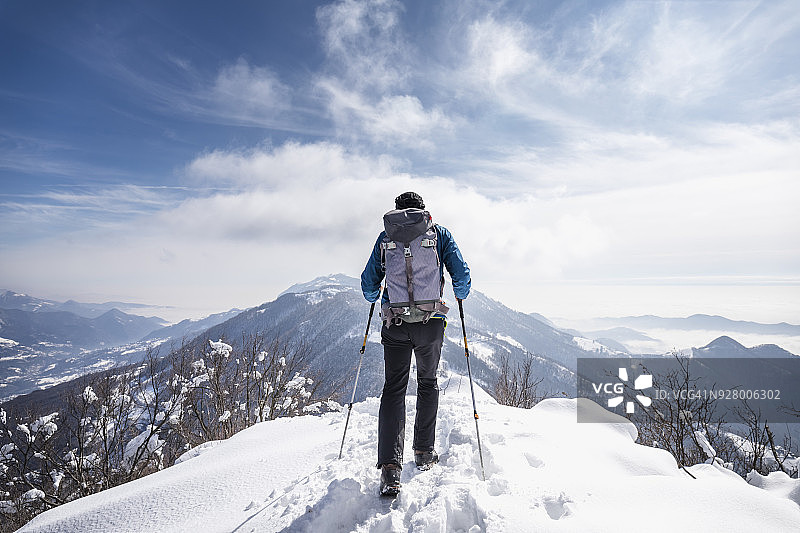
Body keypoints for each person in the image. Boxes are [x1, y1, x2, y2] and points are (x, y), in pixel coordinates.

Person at [361, 191, 471, 496]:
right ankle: (423, 453)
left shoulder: (386, 237)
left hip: (394, 325)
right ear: (423, 212)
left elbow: (369, 284)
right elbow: (461, 275)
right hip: (430, 323)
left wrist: (376, 298)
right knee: (427, 383)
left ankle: (390, 469)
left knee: (394, 389)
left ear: (397, 213)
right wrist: (460, 293)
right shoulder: (439, 234)